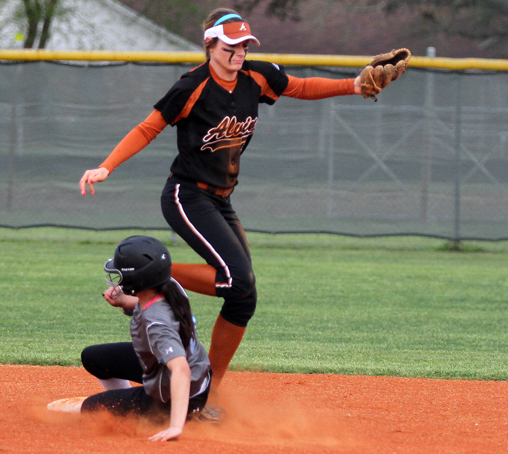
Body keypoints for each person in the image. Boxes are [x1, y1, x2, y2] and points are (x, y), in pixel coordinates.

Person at [78, 7, 378, 399]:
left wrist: (355, 85)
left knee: (243, 296)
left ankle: (209, 390)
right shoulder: (192, 87)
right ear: (211, 45)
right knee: (237, 279)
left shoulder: (257, 76)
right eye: (232, 45)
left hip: (221, 199)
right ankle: (148, 275)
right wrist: (106, 166)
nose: (240, 52)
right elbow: (148, 127)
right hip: (186, 194)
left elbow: (301, 87)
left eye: (245, 45)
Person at [75, 235, 213, 442]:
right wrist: (122, 301)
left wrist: (176, 426)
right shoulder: (170, 286)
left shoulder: (156, 322)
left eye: (121, 273)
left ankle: (165, 413)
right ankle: (137, 402)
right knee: (93, 357)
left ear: (137, 279)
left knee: (92, 409)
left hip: (177, 395)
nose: (118, 277)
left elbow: (181, 370)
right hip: (191, 374)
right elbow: (146, 304)